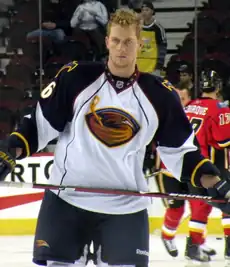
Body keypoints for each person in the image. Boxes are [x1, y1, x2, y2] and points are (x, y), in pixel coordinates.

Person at [0, 9, 229, 267]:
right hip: (66, 202)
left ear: (140, 44)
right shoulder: (75, 78)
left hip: (125, 208)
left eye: (129, 42)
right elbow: (39, 127)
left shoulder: (160, 96)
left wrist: (217, 182)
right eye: (117, 41)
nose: (122, 48)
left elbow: (182, 154)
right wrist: (10, 151)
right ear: (107, 41)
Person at [158, 70, 230, 262]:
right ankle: (200, 245)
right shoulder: (220, 107)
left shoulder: (190, 106)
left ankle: (195, 244)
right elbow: (223, 141)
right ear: (219, 87)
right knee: (216, 205)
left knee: (198, 207)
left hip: (182, 165)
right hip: (202, 167)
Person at [137, 1, 167, 76]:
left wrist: (159, 66)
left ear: (152, 11)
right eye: (142, 10)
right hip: (138, 66)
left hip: (153, 67)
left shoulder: (158, 28)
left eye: (147, 10)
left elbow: (162, 47)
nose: (144, 12)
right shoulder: (137, 27)